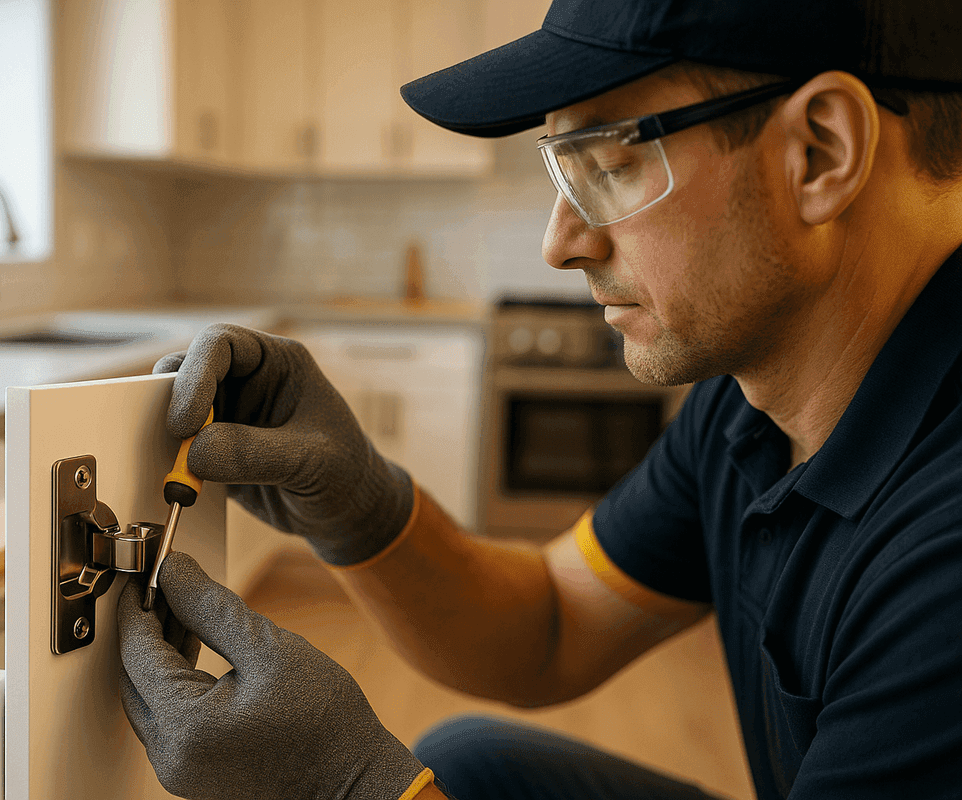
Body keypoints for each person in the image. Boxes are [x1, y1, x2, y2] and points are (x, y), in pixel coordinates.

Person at [116, 0, 962, 797]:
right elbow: (553, 623)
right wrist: (356, 504)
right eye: (562, 169)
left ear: (820, 151)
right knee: (473, 764)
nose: (559, 242)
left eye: (610, 165)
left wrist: (350, 788)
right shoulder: (750, 406)